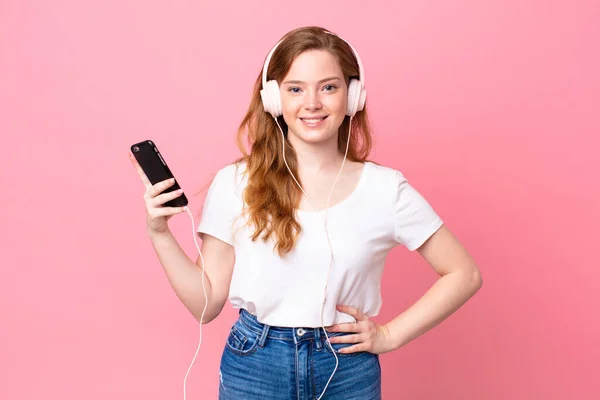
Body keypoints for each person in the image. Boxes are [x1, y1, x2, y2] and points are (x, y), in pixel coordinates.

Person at [130, 26, 482, 400]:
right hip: (255, 364)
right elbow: (206, 305)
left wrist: (389, 335)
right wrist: (160, 233)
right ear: (274, 99)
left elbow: (465, 273)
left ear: (353, 96)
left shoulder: (385, 189)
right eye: (295, 89)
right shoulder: (235, 182)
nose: (312, 103)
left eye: (328, 87)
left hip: (346, 366)